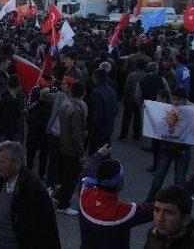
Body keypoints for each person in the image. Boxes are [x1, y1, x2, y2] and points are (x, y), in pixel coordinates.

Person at [0, 140, 60, 249]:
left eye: (2, 162)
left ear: (17, 164)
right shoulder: (3, 179)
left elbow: (43, 230)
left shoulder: (32, 188)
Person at [79, 144, 153, 248]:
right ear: (120, 184)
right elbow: (155, 209)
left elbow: (87, 170)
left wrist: (98, 155)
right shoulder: (124, 212)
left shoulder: (85, 193)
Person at [145, 88, 192, 203]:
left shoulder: (192, 112)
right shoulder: (167, 108)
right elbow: (158, 120)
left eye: (179, 100)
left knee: (179, 179)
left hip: (182, 150)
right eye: (174, 99)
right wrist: (148, 110)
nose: (175, 102)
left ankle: (179, 203)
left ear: (185, 100)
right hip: (167, 147)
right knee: (158, 176)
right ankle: (150, 200)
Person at [56, 80, 88, 215]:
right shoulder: (77, 110)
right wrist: (81, 153)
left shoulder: (66, 105)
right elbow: (76, 135)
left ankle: (59, 196)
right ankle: (64, 204)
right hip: (72, 149)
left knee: (65, 174)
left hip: (63, 144)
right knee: (71, 177)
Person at [86, 68, 118, 154]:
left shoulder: (96, 92)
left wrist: (89, 127)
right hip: (109, 126)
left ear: (96, 78)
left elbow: (96, 114)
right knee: (106, 150)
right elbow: (115, 109)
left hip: (98, 129)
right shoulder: (112, 91)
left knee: (95, 152)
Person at [119, 58, 148, 141]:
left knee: (126, 118)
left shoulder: (132, 75)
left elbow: (126, 88)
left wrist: (124, 98)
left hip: (130, 98)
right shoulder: (146, 75)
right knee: (137, 117)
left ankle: (123, 136)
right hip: (139, 100)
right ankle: (136, 135)